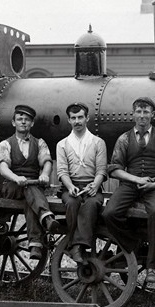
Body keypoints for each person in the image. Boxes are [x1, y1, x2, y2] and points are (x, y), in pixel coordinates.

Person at [102, 96, 155, 268]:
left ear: (152, 115)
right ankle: (132, 245)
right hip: (130, 184)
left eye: (146, 112)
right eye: (139, 111)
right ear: (133, 114)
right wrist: (136, 179)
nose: (142, 115)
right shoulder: (124, 139)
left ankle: (154, 266)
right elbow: (114, 169)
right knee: (109, 214)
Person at [0, 104, 60, 260]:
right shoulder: (5, 144)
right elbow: (3, 167)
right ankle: (45, 217)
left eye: (27, 120)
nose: (23, 122)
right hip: (12, 187)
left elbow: (46, 161)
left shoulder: (39, 143)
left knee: (30, 199)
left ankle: (35, 246)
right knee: (30, 190)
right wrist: (16, 178)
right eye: (20, 119)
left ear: (32, 124)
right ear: (13, 123)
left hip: (31, 187)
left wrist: (45, 174)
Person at [56, 102, 107, 264]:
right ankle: (73, 244)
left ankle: (78, 247)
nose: (77, 121)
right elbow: (62, 171)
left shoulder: (98, 142)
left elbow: (101, 170)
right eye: (73, 118)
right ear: (69, 120)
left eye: (80, 117)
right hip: (70, 187)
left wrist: (95, 185)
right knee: (72, 203)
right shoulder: (62, 144)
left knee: (91, 204)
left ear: (87, 118)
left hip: (93, 187)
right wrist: (70, 187)